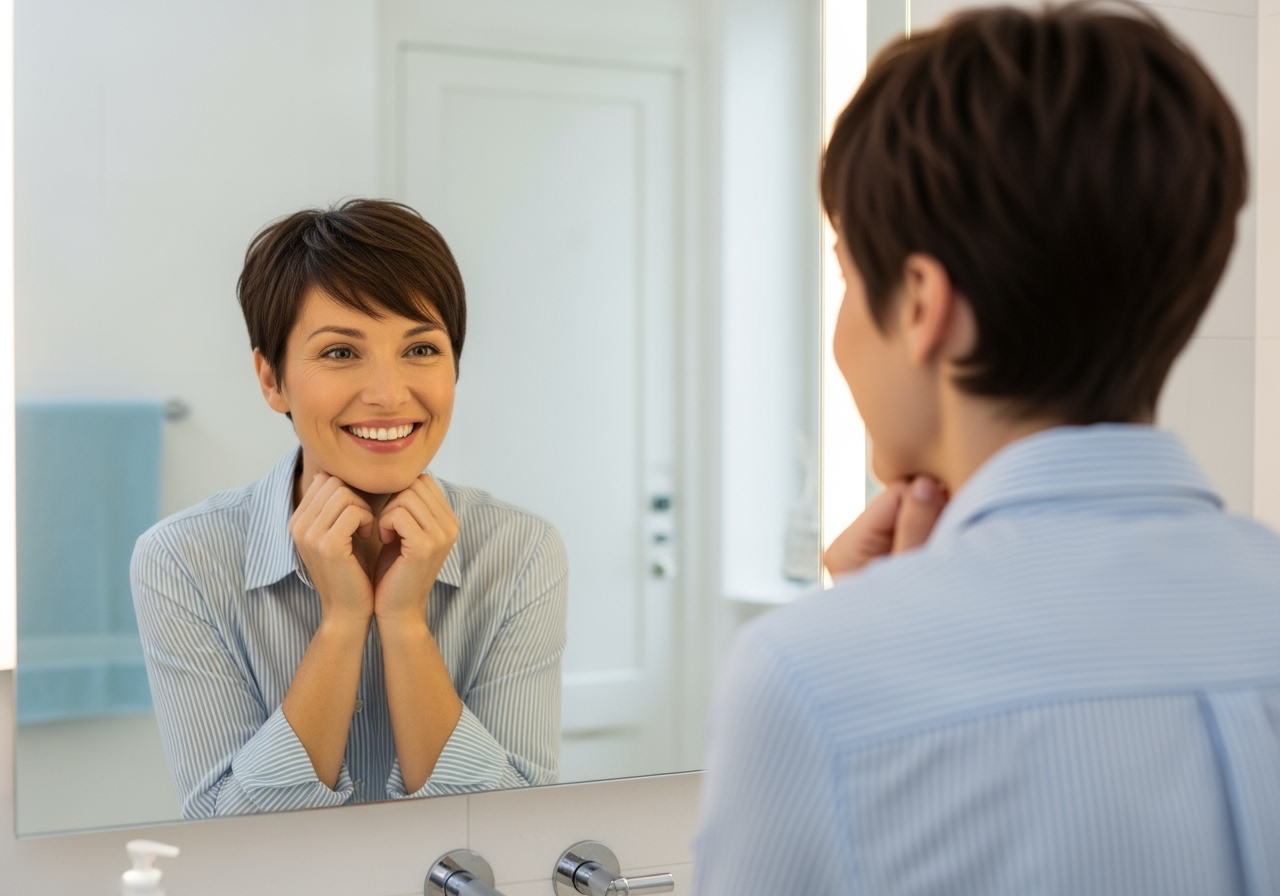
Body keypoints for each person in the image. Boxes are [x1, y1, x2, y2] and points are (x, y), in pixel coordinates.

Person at [694, 4, 1280, 894]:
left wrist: (864, 635)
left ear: (923, 305)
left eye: (848, 274)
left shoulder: (807, 682)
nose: (842, 327)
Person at [131, 200, 568, 819]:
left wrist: (405, 623)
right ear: (271, 379)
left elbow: (509, 831)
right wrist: (341, 621)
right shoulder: (183, 560)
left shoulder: (520, 551)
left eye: (421, 350)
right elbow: (229, 840)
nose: (390, 395)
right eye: (340, 352)